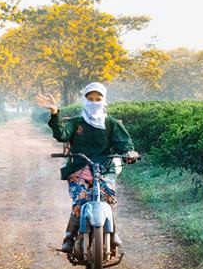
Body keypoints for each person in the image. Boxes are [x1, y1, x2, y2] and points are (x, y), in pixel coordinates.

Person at [34, 82, 139, 253]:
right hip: (79, 169)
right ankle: (69, 236)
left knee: (109, 198)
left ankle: (112, 233)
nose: (94, 102)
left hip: (104, 169)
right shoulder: (76, 122)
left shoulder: (112, 123)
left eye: (98, 99)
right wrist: (54, 112)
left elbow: (124, 145)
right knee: (80, 200)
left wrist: (129, 154)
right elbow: (61, 134)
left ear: (104, 100)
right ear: (85, 100)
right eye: (90, 99)